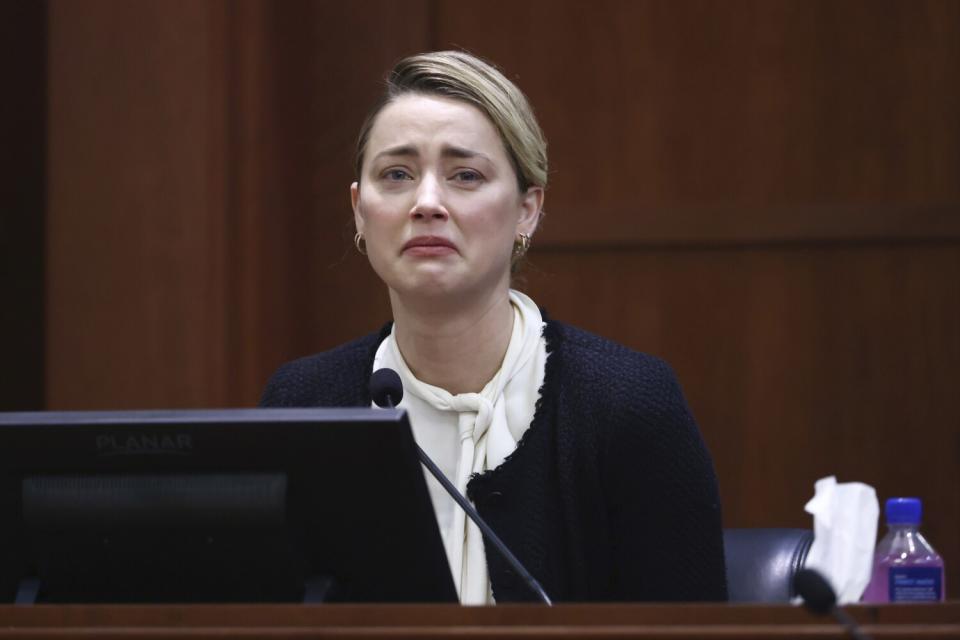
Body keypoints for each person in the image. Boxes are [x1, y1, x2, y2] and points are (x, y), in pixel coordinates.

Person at [260, 51, 727, 604]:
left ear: (527, 210)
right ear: (360, 210)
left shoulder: (626, 403)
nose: (427, 202)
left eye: (465, 175)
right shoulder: (305, 405)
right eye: (397, 175)